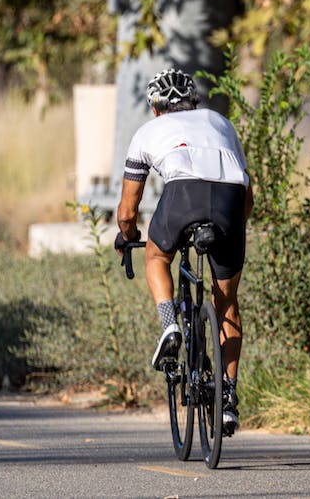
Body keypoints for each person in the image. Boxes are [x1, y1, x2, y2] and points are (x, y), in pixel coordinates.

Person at [113, 68, 253, 436]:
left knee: (158, 257)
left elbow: (128, 211)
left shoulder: (146, 132)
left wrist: (127, 236)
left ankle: (169, 323)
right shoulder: (220, 121)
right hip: (230, 201)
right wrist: (233, 228)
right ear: (194, 102)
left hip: (183, 195)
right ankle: (228, 400)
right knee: (227, 302)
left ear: (156, 109)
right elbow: (248, 191)